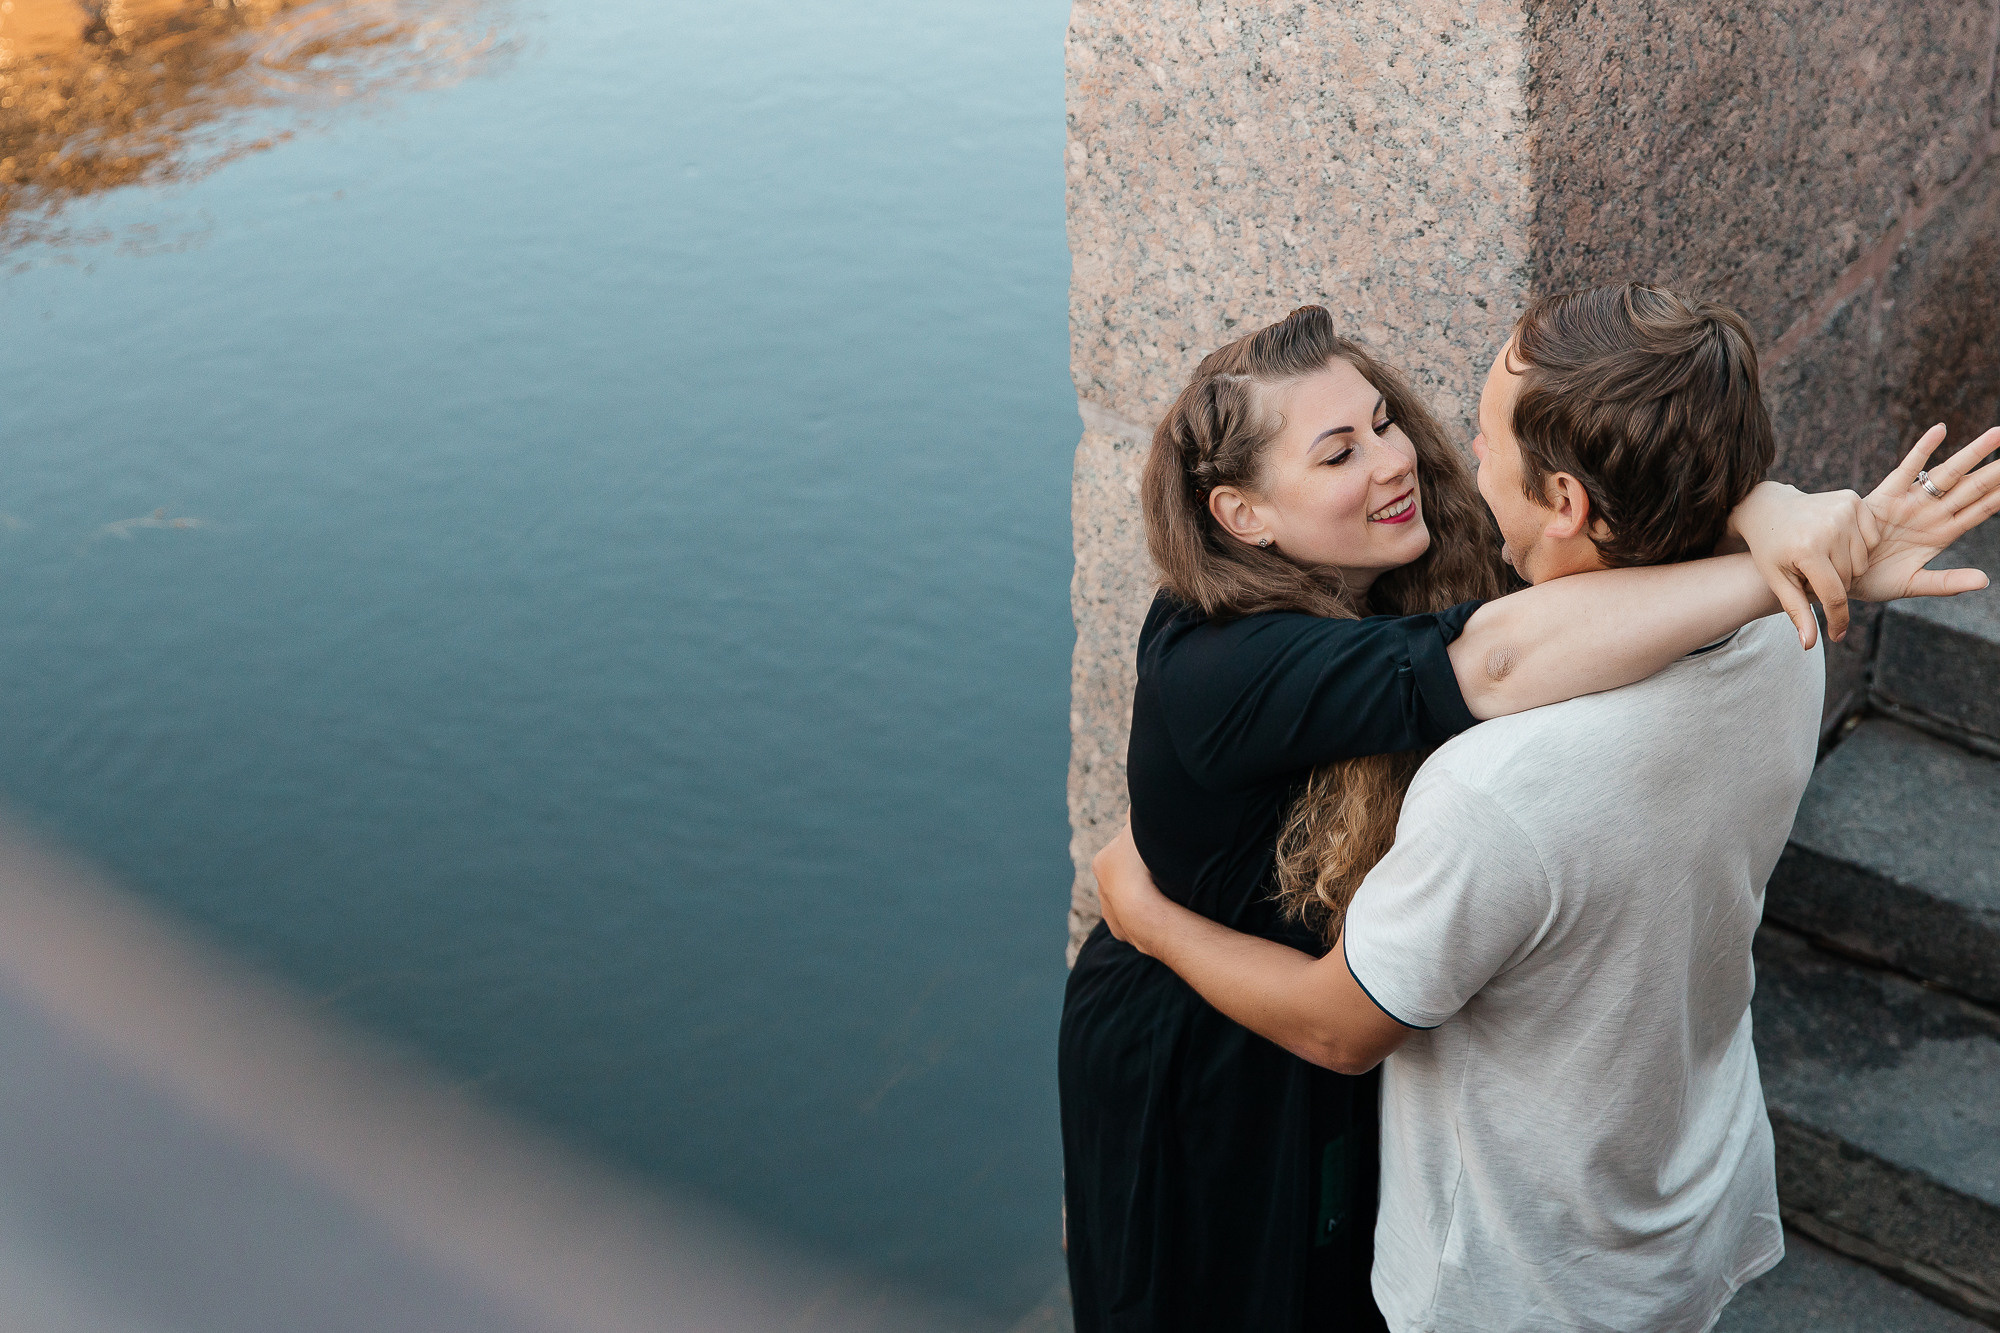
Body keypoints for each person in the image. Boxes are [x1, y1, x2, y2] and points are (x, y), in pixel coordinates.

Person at [1086, 284, 2000, 1332]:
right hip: (1206, 1040)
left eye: (1383, 421)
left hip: (1360, 1009)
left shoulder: (1418, 555)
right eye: (1335, 453)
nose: (1400, 459)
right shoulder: (1215, 669)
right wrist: (1780, 552)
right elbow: (1516, 633)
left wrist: (1770, 522)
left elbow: (1614, 511)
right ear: (1240, 515)